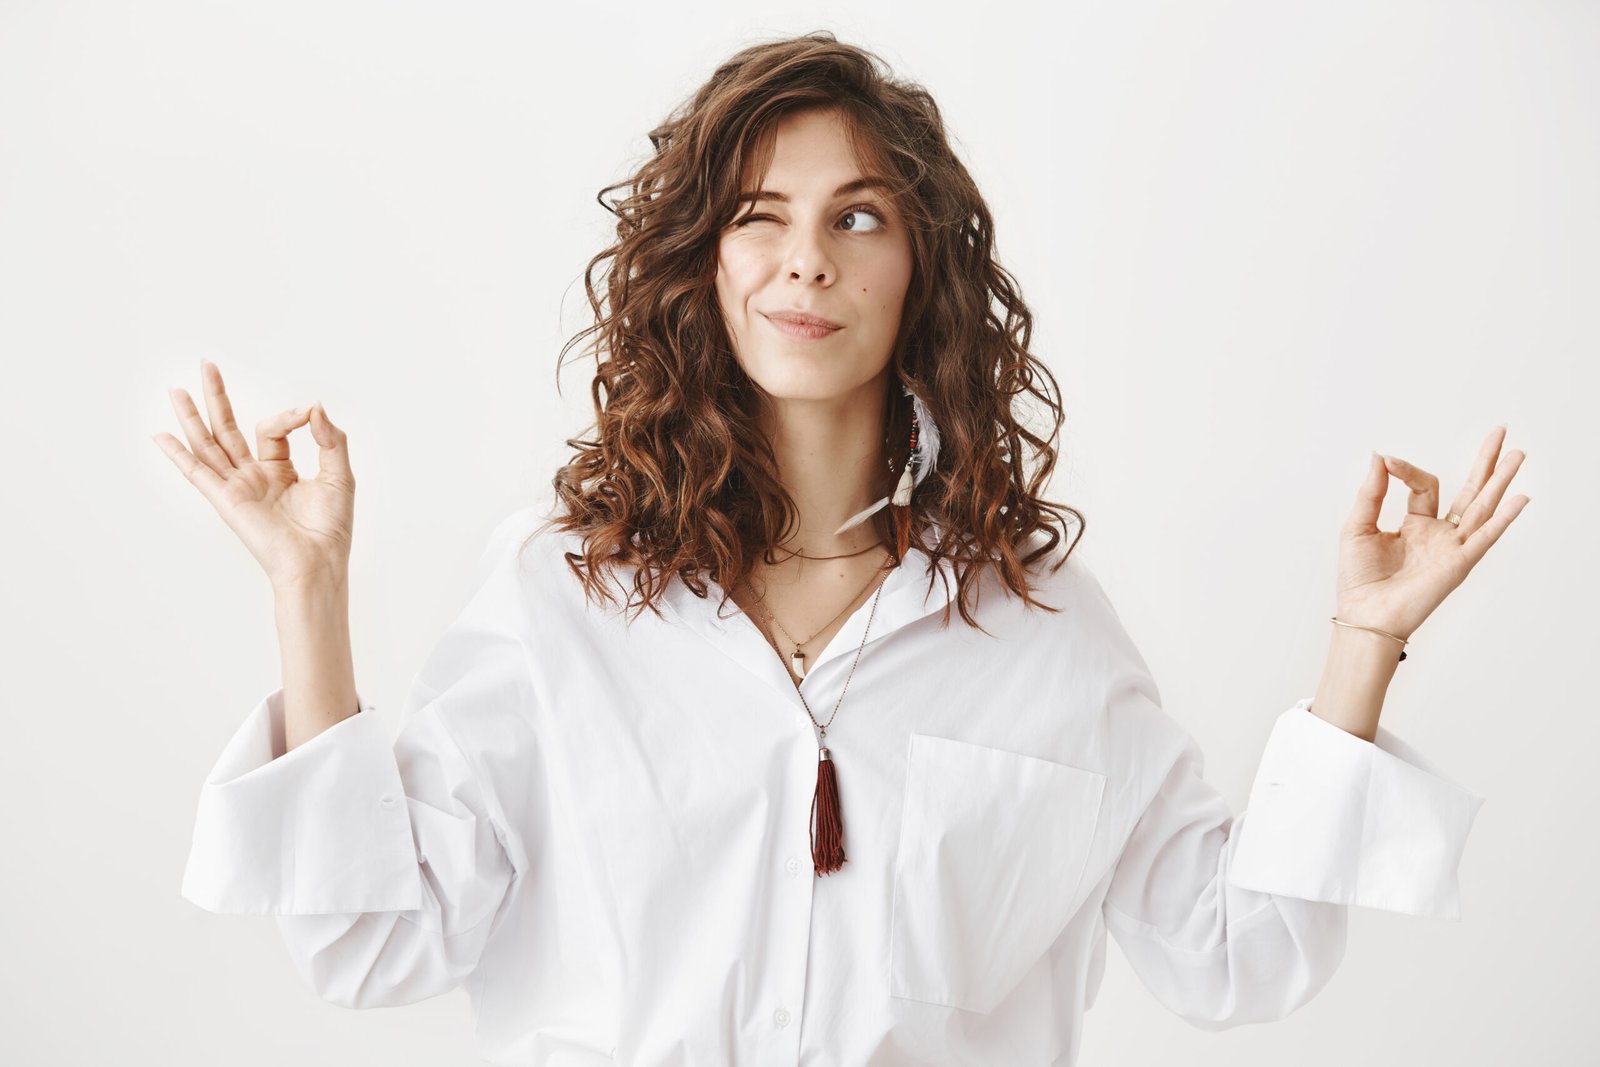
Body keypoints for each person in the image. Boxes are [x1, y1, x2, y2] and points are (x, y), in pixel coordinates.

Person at [155, 31, 1528, 1067]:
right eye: (762, 217)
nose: (805, 260)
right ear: (703, 266)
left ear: (919, 267)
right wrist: (307, 591)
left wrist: (1364, 642)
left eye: (855, 216)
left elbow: (1241, 957)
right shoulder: (557, 595)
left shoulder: (1043, 629)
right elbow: (374, 938)